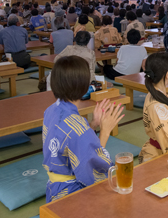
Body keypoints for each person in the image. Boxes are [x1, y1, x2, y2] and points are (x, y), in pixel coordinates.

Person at [42, 55, 124, 203]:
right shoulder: (78, 127)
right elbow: (94, 167)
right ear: (84, 86)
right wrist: (105, 131)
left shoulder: (51, 110)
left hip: (53, 188)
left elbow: (72, 143)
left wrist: (92, 125)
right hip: (70, 195)